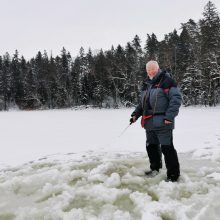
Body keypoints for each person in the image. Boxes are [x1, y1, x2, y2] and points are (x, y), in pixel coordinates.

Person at [130, 60, 182, 182]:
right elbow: (142, 104)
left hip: (163, 122)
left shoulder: (167, 81)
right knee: (151, 146)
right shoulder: (146, 84)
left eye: (153, 69)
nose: (151, 72)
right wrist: (135, 115)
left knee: (167, 148)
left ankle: (173, 175)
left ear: (158, 69)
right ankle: (155, 169)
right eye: (148, 70)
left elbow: (176, 99)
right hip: (149, 122)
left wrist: (169, 117)